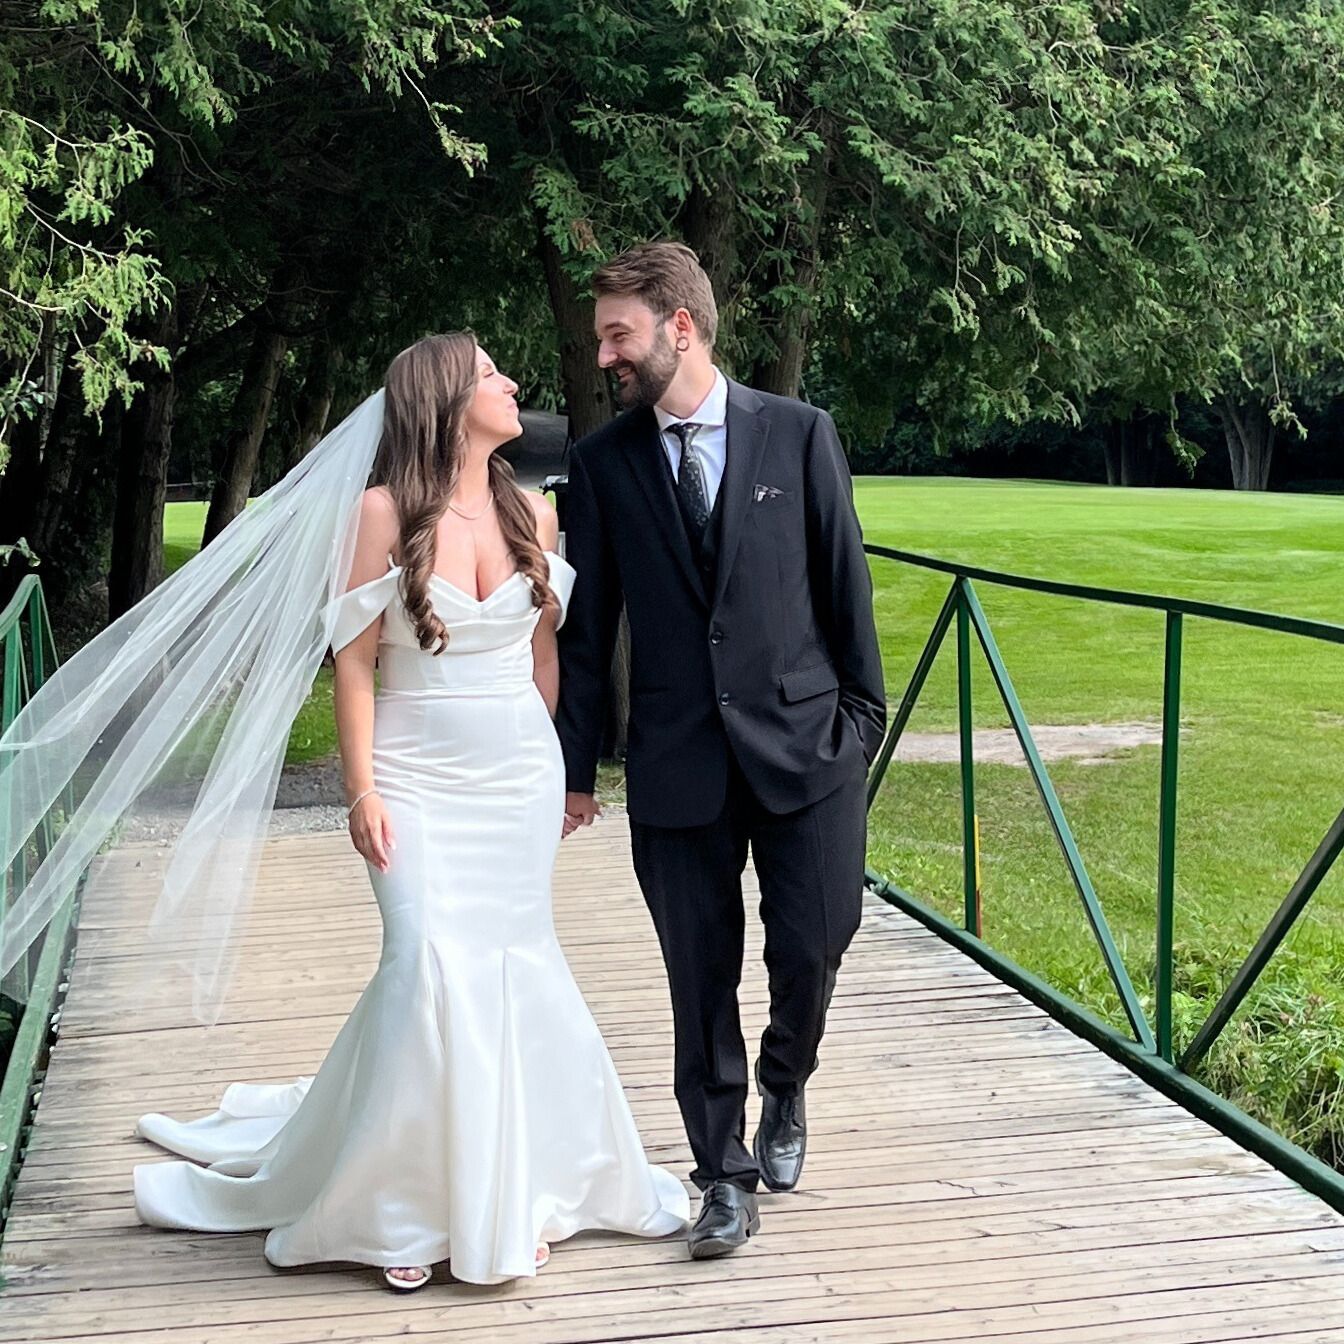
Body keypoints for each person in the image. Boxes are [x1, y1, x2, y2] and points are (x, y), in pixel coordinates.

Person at [1, 333, 688, 1289]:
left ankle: (516, 1186)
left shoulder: (534, 510)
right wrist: (362, 790)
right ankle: (397, 1209)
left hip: (514, 781)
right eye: (492, 373)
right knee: (420, 969)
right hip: (411, 773)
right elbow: (355, 663)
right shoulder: (380, 512)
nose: (512, 384)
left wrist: (549, 766)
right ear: (447, 401)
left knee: (512, 968)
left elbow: (544, 658)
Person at [557, 243, 886, 1260]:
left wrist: (861, 724)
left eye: (619, 333)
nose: (606, 353)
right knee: (698, 980)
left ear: (679, 327)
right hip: (678, 763)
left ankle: (788, 1082)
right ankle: (723, 1175)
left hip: (807, 748)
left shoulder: (797, 435)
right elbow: (585, 630)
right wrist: (575, 768)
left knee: (817, 939)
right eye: (602, 336)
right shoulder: (604, 467)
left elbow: (846, 590)